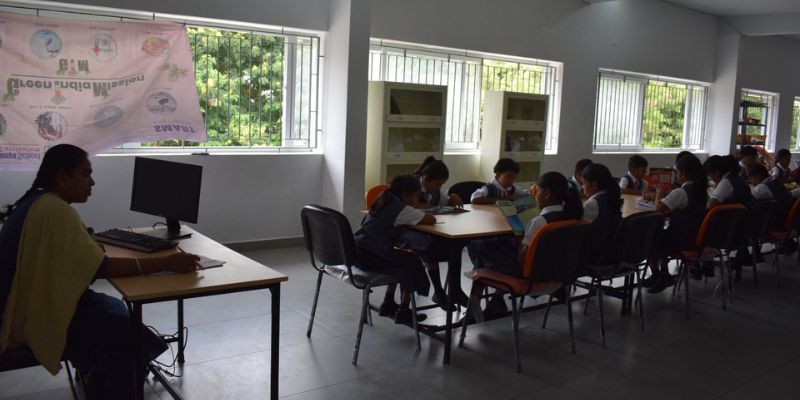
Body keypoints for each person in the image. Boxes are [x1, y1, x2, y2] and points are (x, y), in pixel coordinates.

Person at [0, 144, 202, 400]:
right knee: (127, 332)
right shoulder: (56, 210)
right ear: (61, 177)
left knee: (115, 310)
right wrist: (165, 263)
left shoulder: (38, 201)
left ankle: (98, 378)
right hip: (30, 317)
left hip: (22, 305)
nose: (92, 182)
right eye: (86, 174)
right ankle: (114, 386)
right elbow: (101, 268)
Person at [466, 172, 583, 319]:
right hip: (560, 275)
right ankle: (495, 301)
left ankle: (478, 307)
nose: (535, 196)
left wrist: (519, 236)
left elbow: (523, 260)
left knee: (476, 245)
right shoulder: (574, 218)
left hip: (530, 276)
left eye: (537, 192)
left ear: (547, 193)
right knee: (491, 249)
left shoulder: (539, 222)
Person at [354, 174, 435, 323]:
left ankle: (388, 302)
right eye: (416, 197)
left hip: (359, 252)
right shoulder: (401, 208)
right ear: (405, 196)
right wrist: (416, 207)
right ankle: (404, 310)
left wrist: (414, 206)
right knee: (412, 261)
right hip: (372, 256)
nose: (416, 200)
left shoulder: (383, 200)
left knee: (403, 256)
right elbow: (431, 220)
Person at [400, 157, 468, 310]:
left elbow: (445, 201)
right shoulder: (412, 186)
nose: (438, 188)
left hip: (426, 231)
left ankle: (454, 290)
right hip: (407, 234)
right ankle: (439, 291)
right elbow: (410, 207)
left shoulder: (434, 190)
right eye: (437, 184)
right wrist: (427, 207)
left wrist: (452, 198)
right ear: (425, 179)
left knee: (454, 245)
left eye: (441, 185)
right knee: (434, 246)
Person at [644, 153, 708, 293]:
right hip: (694, 238)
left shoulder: (681, 192)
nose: (676, 175)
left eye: (677, 172)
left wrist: (659, 192)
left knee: (649, 237)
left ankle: (659, 273)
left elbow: (659, 208)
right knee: (659, 235)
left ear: (683, 174)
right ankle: (661, 274)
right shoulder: (702, 191)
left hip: (681, 238)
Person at [580, 163, 623, 264]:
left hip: (596, 255)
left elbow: (579, 229)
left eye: (583, 183)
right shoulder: (611, 197)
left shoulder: (592, 204)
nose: (582, 187)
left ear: (594, 185)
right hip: (612, 252)